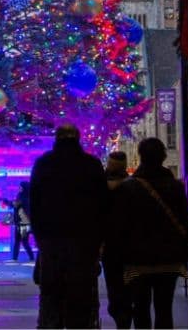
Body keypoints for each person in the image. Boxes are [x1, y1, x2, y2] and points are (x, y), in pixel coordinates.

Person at [106, 138, 188, 329]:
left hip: (137, 260)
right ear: (163, 156)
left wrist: (117, 258)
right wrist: (184, 252)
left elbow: (119, 227)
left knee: (140, 308)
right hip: (169, 258)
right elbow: (186, 222)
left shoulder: (128, 188)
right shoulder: (176, 187)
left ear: (141, 156)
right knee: (164, 309)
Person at [30, 123, 109, 329]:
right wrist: (98, 240)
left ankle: (52, 324)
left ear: (56, 139)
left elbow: (34, 204)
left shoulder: (44, 164)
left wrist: (40, 238)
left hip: (52, 240)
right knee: (81, 293)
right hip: (84, 242)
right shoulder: (91, 164)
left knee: (51, 294)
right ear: (78, 138)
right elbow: (103, 204)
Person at [102, 150, 131, 328]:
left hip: (110, 245)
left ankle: (120, 314)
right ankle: (124, 314)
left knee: (114, 286)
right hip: (129, 245)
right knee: (127, 287)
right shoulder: (132, 186)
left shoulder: (100, 187)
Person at [1, 181, 34, 262]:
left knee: (24, 242)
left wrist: (5, 201)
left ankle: (31, 258)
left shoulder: (24, 198)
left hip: (23, 223)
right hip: (19, 222)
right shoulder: (22, 196)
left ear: (24, 188)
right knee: (18, 241)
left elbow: (14, 204)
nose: (19, 188)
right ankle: (15, 258)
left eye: (20, 187)